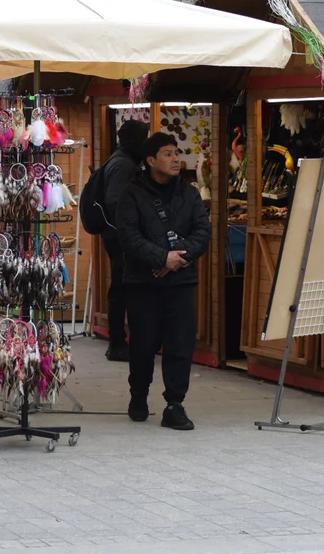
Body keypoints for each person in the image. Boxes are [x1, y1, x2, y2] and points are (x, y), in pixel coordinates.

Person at [115, 133, 210, 430]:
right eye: (167, 154)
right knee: (143, 344)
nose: (175, 159)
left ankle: (175, 404)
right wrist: (160, 258)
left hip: (180, 282)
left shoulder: (189, 193)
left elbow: (202, 232)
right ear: (150, 160)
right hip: (143, 284)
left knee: (180, 344)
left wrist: (177, 259)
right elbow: (129, 237)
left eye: (176, 153)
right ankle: (138, 395)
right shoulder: (131, 194)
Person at [100, 119, 149, 362]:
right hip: (119, 238)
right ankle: (117, 342)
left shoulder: (120, 160)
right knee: (121, 288)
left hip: (117, 235)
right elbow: (116, 202)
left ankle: (119, 341)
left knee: (122, 288)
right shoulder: (122, 165)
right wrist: (131, 232)